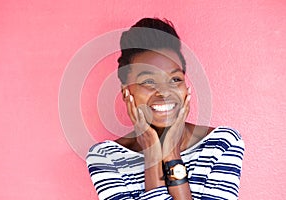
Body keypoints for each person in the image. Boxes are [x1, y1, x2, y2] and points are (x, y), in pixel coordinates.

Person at [86, 18, 245, 200]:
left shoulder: (222, 144)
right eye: (148, 81)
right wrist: (153, 156)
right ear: (126, 92)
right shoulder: (106, 158)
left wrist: (171, 155)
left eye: (175, 79)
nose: (164, 92)